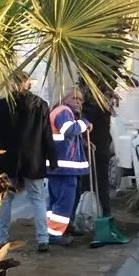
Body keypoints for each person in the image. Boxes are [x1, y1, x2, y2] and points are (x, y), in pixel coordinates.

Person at [0, 71, 59, 252]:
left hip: (7, 160)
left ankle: (1, 238)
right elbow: (46, 135)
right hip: (33, 160)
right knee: (37, 199)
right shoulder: (40, 105)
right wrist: (53, 159)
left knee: (6, 199)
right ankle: (43, 238)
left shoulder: (4, 105)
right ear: (28, 83)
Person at [79, 80, 128, 244]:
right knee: (99, 184)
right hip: (96, 153)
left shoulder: (88, 113)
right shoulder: (95, 114)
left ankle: (94, 218)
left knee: (91, 184)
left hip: (94, 153)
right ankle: (98, 217)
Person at [46, 90, 90, 245]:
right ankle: (55, 235)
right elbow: (69, 131)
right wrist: (85, 123)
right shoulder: (64, 111)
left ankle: (54, 230)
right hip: (64, 167)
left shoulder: (62, 112)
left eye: (81, 100)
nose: (78, 102)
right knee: (64, 202)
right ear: (64, 98)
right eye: (74, 98)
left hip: (60, 167)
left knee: (55, 202)